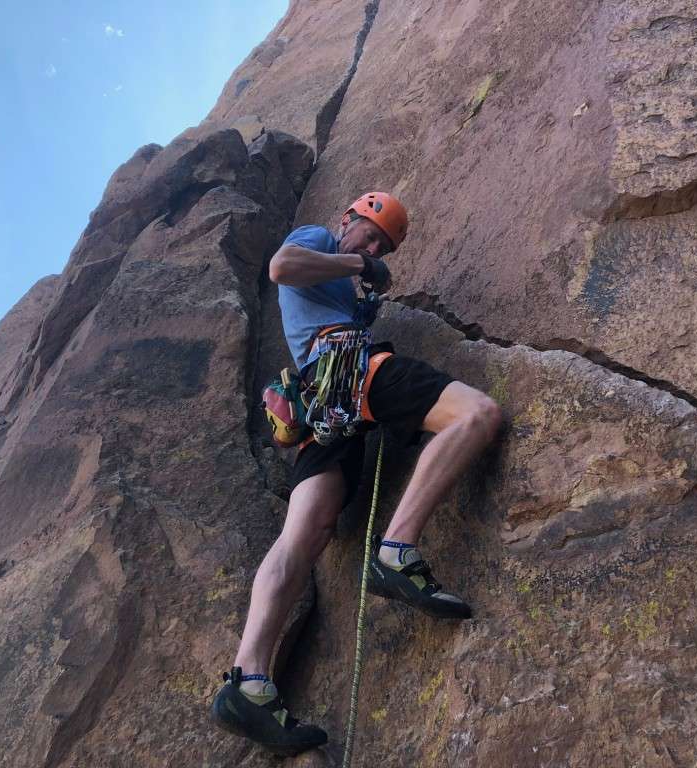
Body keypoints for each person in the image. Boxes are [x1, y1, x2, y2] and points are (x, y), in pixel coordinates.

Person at [211, 192, 501, 756]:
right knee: (478, 414)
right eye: (369, 233)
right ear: (348, 218)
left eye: (383, 246)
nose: (373, 247)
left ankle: (249, 682)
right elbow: (281, 268)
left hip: (329, 409)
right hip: (346, 374)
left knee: (306, 533)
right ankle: (397, 550)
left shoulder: (346, 284)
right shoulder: (320, 239)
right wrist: (355, 263)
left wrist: (360, 286)